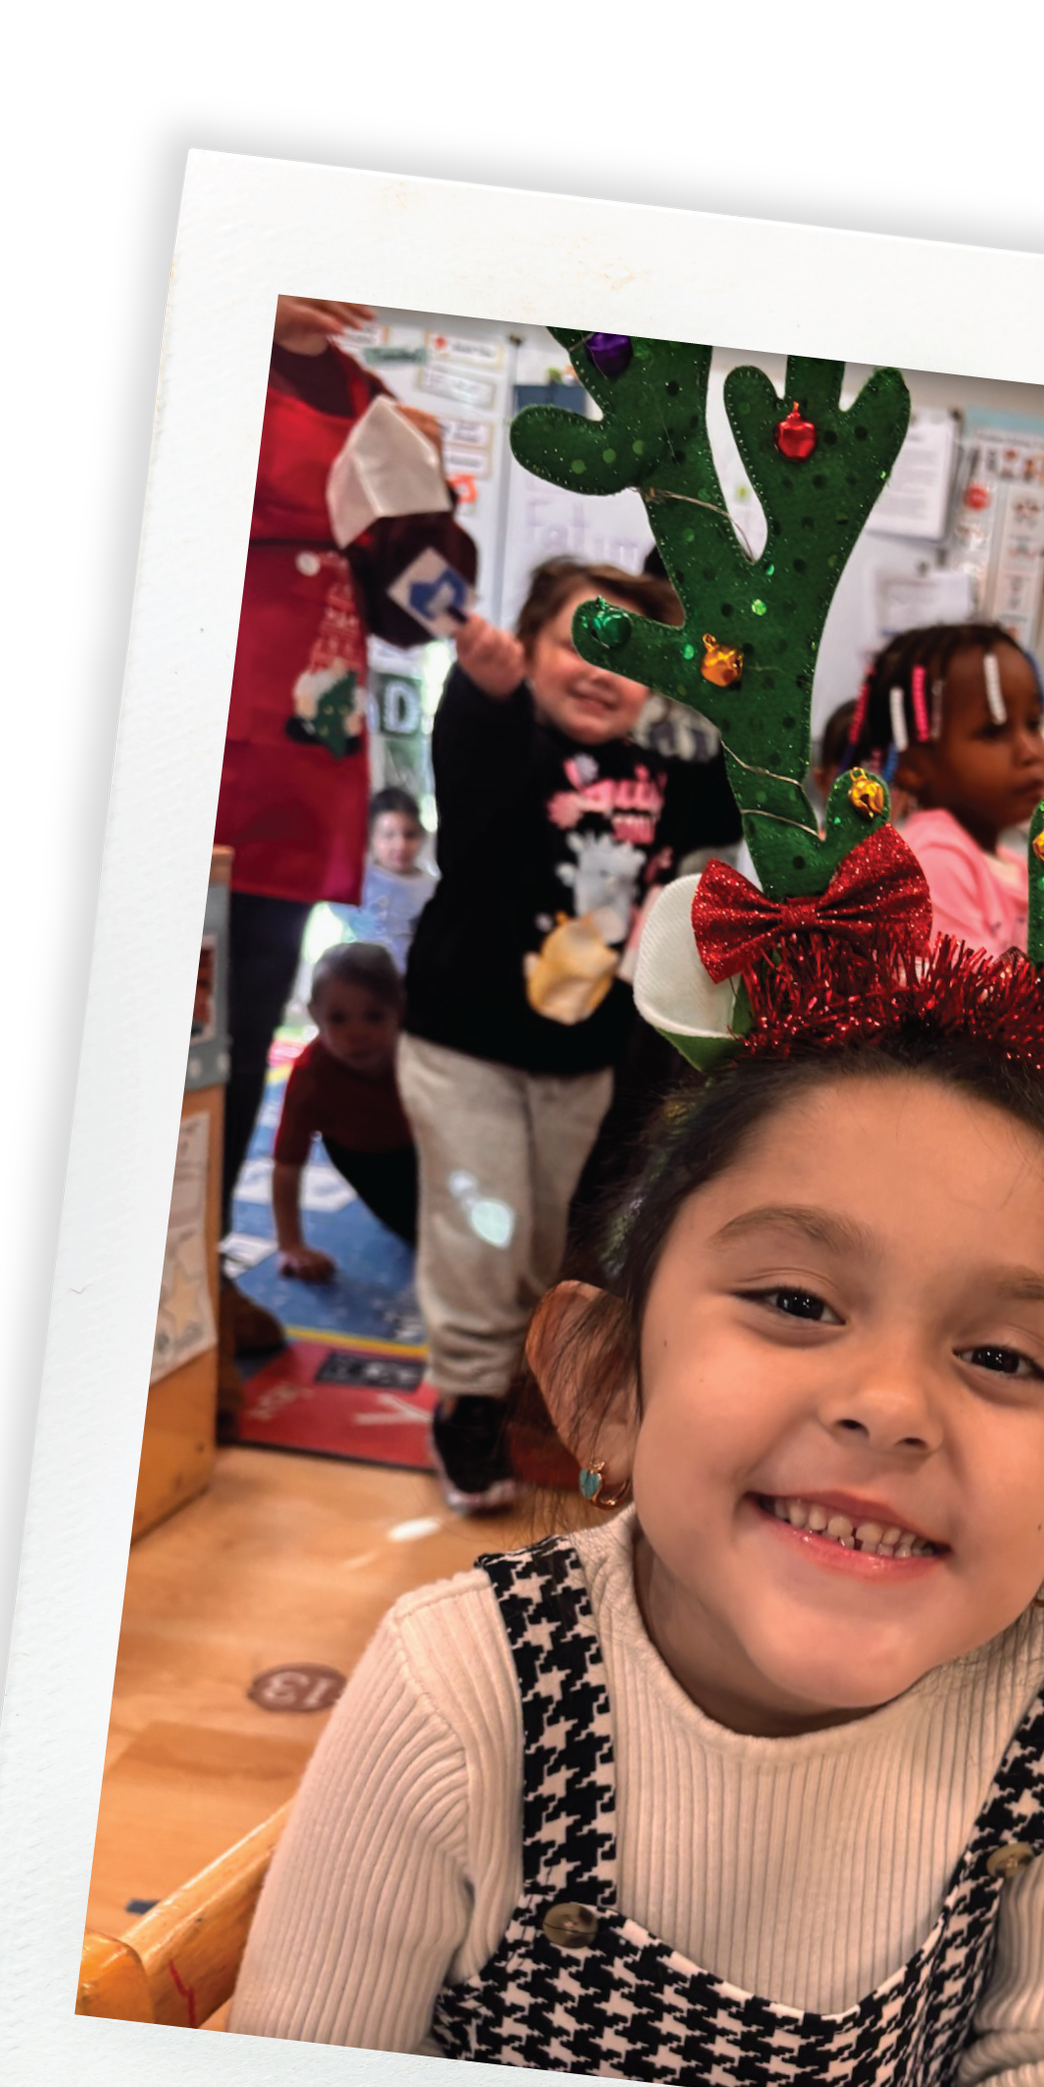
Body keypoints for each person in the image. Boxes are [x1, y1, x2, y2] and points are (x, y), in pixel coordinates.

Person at [231, 989, 1044, 2087]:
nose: (888, 1408)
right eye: (795, 1300)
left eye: (1001, 1354)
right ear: (605, 1385)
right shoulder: (466, 1692)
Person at [399, 556, 741, 1512]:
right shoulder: (502, 739)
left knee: (538, 1235)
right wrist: (488, 686)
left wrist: (723, 673)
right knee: (483, 1231)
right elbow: (471, 774)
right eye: (575, 643)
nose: (599, 668)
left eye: (624, 654)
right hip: (461, 1041)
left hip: (578, 1056)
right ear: (531, 649)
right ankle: (466, 1404)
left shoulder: (665, 771)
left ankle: (502, 1382)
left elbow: (739, 781)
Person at [215, 298, 449, 1342]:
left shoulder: (370, 402)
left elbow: (420, 608)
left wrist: (428, 502)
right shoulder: (206, 335)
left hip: (304, 768)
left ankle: (193, 1275)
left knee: (237, 1028)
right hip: (195, 731)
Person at [833, 627, 1044, 1002]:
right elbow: (983, 1006)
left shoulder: (1014, 864)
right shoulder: (932, 859)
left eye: (1033, 723)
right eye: (993, 731)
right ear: (915, 764)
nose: (1030, 751)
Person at [269, 941, 418, 1279]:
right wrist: (290, 1245)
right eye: (338, 1019)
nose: (357, 1033)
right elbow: (286, 1167)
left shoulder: (420, 1052)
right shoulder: (312, 1075)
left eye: (374, 1016)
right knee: (421, 1234)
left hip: (427, 1148)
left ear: (402, 1010)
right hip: (365, 1161)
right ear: (314, 1016)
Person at [354, 785, 435, 968]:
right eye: (388, 835)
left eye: (409, 835)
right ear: (371, 836)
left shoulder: (431, 890)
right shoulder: (355, 884)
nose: (400, 845)